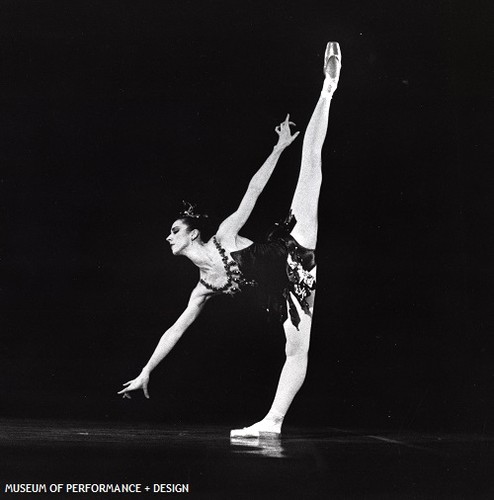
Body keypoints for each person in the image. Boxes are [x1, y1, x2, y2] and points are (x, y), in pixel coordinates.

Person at [118, 42, 342, 437]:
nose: (168, 237)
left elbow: (253, 192)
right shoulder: (203, 288)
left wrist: (277, 148)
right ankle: (273, 422)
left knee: (311, 165)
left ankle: (327, 88)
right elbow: (173, 331)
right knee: (296, 350)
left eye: (175, 231)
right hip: (290, 291)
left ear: (193, 234)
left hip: (292, 247)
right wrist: (146, 371)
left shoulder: (224, 234)